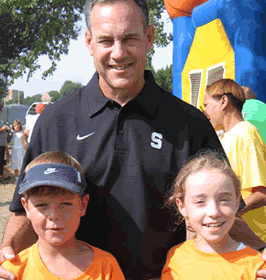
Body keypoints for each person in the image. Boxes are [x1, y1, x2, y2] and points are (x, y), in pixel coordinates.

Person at [1, 1, 266, 280]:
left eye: (129, 38)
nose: (118, 53)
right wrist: (8, 248)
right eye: (106, 40)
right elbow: (26, 207)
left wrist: (260, 251)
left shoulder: (189, 123)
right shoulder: (56, 120)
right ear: (89, 42)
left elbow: (219, 210)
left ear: (149, 37)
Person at [1, 151, 125, 279]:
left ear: (83, 205)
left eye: (65, 204)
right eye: (42, 205)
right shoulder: (13, 270)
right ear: (26, 207)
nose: (54, 215)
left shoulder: (105, 266)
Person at [162, 152, 266, 279]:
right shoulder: (175, 257)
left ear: (237, 202)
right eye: (200, 201)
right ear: (182, 206)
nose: (214, 212)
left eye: (224, 200)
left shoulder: (257, 266)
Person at [203, 79, 266, 243]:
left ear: (224, 101)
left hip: (254, 239)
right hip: (234, 239)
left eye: (207, 105)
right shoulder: (225, 137)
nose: (205, 112)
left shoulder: (245, 134)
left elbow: (261, 193)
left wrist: (227, 212)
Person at [0, 105, 9, 181]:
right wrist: (2, 129)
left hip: (2, 143)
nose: (1, 111)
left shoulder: (1, 120)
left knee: (1, 160)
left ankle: (1, 176)